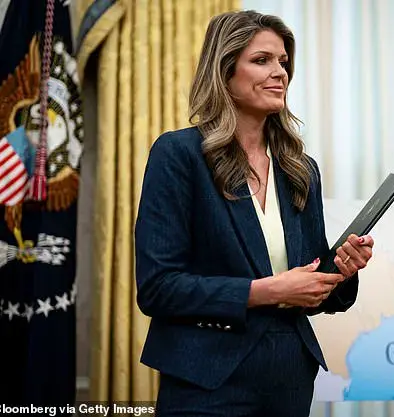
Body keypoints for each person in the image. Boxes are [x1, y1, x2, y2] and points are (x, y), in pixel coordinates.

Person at [134, 9, 375, 417]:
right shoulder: (178, 155)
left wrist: (341, 271)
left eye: (283, 62)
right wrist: (269, 291)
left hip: (289, 377)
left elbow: (310, 288)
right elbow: (159, 287)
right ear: (225, 71)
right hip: (205, 378)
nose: (279, 72)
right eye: (261, 60)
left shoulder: (300, 169)